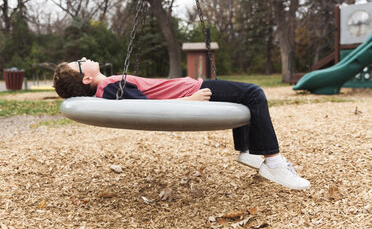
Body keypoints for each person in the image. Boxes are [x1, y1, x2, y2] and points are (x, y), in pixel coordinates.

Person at [53, 57, 310, 190]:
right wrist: (189, 100)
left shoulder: (108, 88)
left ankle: (250, 152)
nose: (84, 58)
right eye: (79, 62)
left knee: (244, 98)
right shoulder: (109, 87)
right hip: (194, 89)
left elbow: (144, 101)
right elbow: (145, 108)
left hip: (191, 88)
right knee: (253, 93)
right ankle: (274, 163)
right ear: (86, 78)